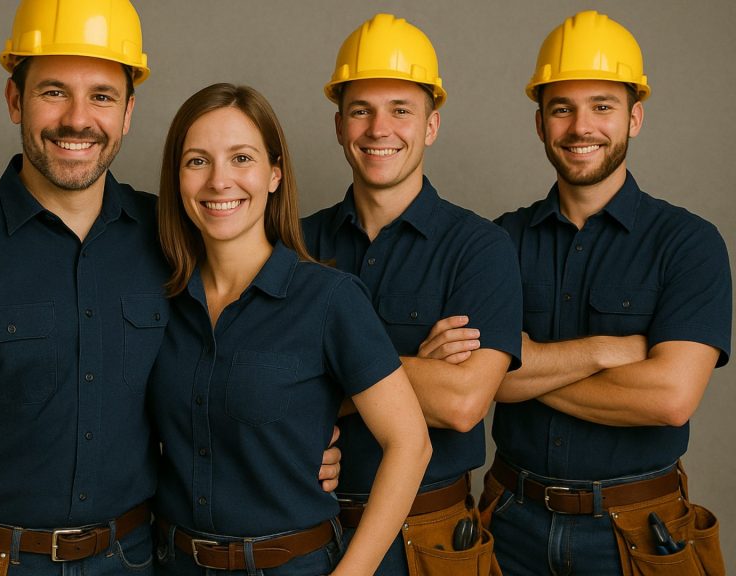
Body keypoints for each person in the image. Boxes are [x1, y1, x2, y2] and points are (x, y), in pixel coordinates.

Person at [0, 3, 339, 576]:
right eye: (53, 92)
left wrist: (308, 433)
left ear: (128, 112)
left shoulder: (174, 236)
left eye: (102, 96)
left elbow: (269, 341)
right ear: (14, 100)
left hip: (132, 559)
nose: (78, 119)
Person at [480, 10, 731, 574]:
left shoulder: (688, 243)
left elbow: (670, 397)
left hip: (639, 529)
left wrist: (519, 368)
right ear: (540, 123)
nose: (580, 127)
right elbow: (472, 380)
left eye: (602, 106)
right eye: (561, 108)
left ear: (634, 118)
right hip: (511, 522)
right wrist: (601, 351)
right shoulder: (497, 241)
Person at [151, 82, 430, 576]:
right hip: (173, 562)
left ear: (274, 174)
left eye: (241, 159)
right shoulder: (159, 300)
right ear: (177, 178)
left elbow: (410, 443)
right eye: (197, 161)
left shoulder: (328, 298)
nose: (219, 181)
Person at [301, 14, 522, 574]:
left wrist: (327, 376)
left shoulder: (480, 248)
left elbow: (462, 403)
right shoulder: (294, 244)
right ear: (339, 126)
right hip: (304, 527)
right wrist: (415, 369)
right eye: (361, 110)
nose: (380, 129)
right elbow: (255, 383)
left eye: (401, 110)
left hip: (431, 538)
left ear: (431, 126)